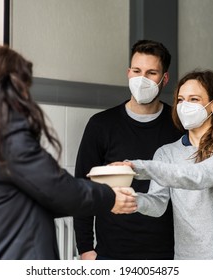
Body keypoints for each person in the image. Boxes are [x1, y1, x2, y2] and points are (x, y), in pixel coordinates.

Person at [0, 44, 136, 260]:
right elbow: (57, 189)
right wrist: (109, 197)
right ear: (10, 84)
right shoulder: (3, 134)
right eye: (24, 85)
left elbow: (15, 200)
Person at [113, 69, 213, 259]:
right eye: (181, 100)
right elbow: (158, 204)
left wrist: (138, 167)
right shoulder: (166, 153)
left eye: (194, 99)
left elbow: (200, 176)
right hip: (186, 259)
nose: (184, 106)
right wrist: (134, 201)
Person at [74, 40, 182, 260]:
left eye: (151, 72)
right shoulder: (101, 125)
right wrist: (85, 248)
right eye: (137, 70)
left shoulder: (178, 126)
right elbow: (83, 188)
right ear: (128, 73)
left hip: (166, 252)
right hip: (112, 251)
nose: (142, 79)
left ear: (164, 78)